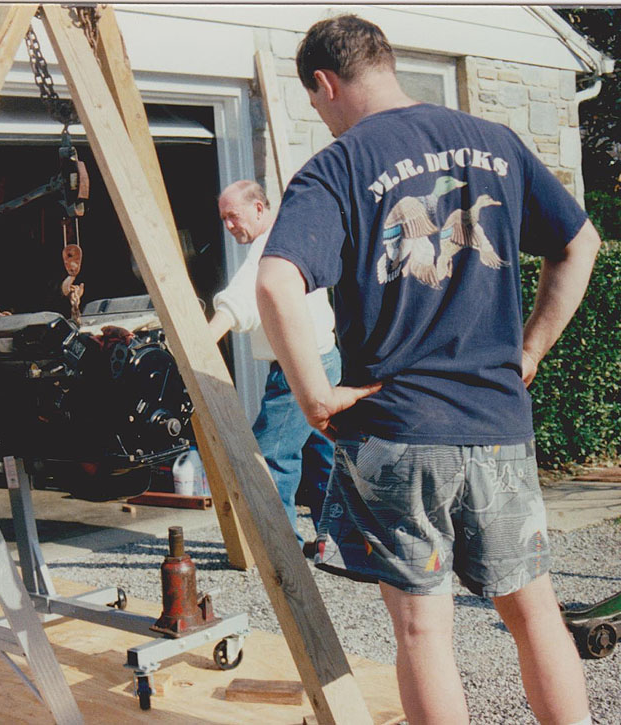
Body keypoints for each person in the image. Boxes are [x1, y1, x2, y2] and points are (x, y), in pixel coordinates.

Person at [255, 15, 599, 725]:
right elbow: (581, 243)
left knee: (422, 629)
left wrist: (313, 395)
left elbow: (276, 281)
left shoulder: (340, 164)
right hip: (497, 422)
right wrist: (530, 351)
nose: (321, 117)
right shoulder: (496, 143)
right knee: (534, 611)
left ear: (324, 82)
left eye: (315, 102)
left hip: (399, 430)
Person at [207, 180, 340, 545]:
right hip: (324, 359)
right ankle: (336, 541)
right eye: (223, 219)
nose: (229, 225)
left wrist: (203, 340)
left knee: (271, 455)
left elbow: (244, 297)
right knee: (322, 454)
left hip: (299, 367)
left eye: (233, 216)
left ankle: (283, 549)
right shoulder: (291, 234)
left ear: (258, 208)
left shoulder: (270, 248)